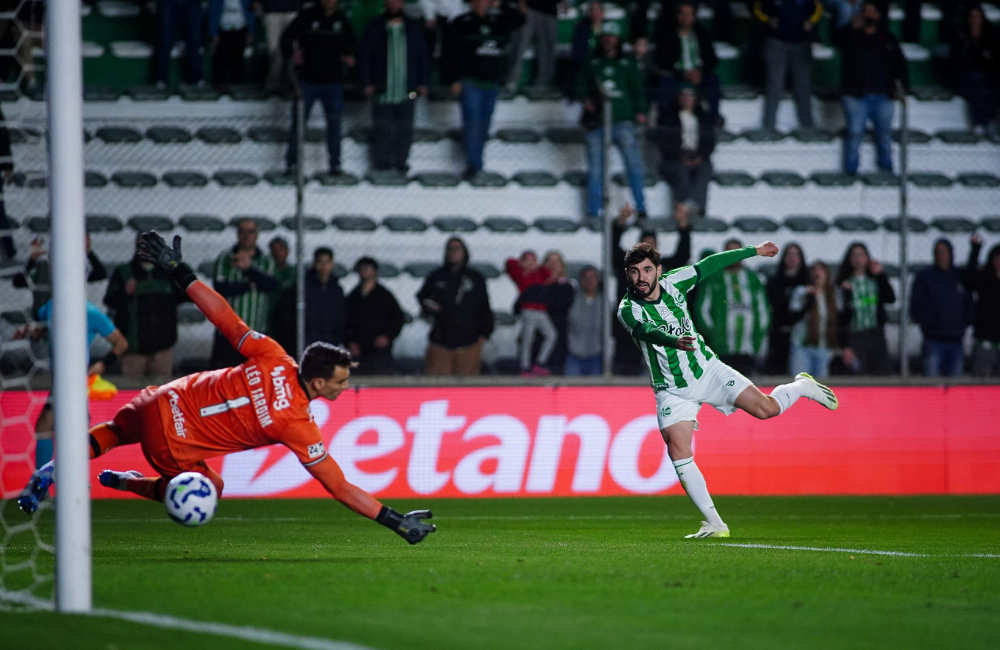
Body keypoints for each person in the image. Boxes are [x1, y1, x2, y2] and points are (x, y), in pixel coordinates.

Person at [18, 232, 437, 547]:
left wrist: (180, 270)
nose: (347, 388)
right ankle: (130, 484)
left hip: (160, 399)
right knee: (210, 489)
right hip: (172, 445)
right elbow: (339, 487)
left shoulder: (274, 355)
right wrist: (396, 522)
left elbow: (224, 317)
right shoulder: (297, 424)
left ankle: (54, 467)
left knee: (113, 431)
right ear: (319, 382)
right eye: (342, 382)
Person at [617, 239, 838, 538]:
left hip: (708, 370)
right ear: (627, 274)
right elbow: (646, 331)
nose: (640, 278)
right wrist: (673, 341)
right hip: (671, 389)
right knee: (677, 448)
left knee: (766, 410)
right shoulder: (628, 309)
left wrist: (755, 251)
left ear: (658, 270)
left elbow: (710, 265)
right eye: (633, 271)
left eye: (646, 270)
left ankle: (802, 386)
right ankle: (715, 523)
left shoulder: (674, 282)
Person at [13, 299, 128, 471]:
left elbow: (121, 343)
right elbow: (47, 330)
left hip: (73, 375)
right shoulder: (50, 307)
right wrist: (31, 333)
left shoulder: (91, 313)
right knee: (70, 427)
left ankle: (44, 483)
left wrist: (102, 365)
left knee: (47, 425)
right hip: (59, 374)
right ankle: (72, 481)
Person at [444, 0, 526, 179]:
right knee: (472, 123)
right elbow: (449, 52)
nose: (481, 3)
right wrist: (454, 79)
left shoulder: (497, 21)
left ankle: (477, 160)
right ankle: (474, 165)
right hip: (470, 81)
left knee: (484, 124)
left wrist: (501, 5)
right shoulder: (460, 22)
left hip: (491, 83)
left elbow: (520, 19)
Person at [578, 22, 648, 220]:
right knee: (596, 170)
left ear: (618, 40)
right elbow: (579, 85)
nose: (608, 40)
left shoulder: (628, 62)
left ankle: (641, 207)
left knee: (633, 165)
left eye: (612, 37)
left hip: (623, 121)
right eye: (605, 37)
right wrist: (586, 100)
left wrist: (640, 110)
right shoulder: (592, 62)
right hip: (597, 123)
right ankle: (594, 211)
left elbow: (637, 89)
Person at [612, 202, 690, 374]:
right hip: (630, 331)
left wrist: (683, 224)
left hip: (659, 327)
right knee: (627, 373)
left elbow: (683, 255)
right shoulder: (626, 268)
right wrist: (621, 222)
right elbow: (613, 250)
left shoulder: (666, 268)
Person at [282, 0, 356, 176]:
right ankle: (291, 164)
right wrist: (292, 53)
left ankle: (335, 165)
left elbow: (352, 44)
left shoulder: (341, 19)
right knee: (298, 125)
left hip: (332, 83)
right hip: (307, 81)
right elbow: (286, 38)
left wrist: (349, 56)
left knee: (335, 125)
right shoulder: (307, 16)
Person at [837, 1, 908, 175]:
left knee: (884, 134)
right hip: (856, 95)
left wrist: (902, 87)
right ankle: (850, 171)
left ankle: (886, 169)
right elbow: (837, 43)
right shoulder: (851, 36)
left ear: (878, 15)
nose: (868, 16)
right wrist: (851, 28)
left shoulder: (888, 38)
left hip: (883, 95)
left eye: (871, 12)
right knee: (854, 133)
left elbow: (900, 65)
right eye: (865, 12)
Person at [359, 0, 430, 173]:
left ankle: (401, 161)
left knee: (405, 128)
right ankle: (382, 162)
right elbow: (365, 56)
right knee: (382, 128)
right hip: (383, 88)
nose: (394, 5)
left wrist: (423, 82)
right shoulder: (375, 26)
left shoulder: (412, 27)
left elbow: (422, 55)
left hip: (406, 89)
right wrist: (367, 82)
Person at [103, 236, 188, 379]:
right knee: (131, 394)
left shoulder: (167, 273)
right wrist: (125, 292)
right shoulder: (124, 272)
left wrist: (182, 282)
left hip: (163, 347)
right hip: (133, 349)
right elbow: (109, 300)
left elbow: (185, 298)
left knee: (162, 394)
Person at [417, 237, 494, 375]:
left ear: (464, 252)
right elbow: (423, 298)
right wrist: (431, 308)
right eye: (450, 249)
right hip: (441, 341)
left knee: (467, 390)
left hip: (470, 342)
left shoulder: (476, 278)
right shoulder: (436, 276)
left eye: (457, 249)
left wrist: (484, 334)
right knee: (438, 387)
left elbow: (484, 307)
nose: (453, 252)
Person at [695, 239, 771, 377]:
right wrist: (714, 333)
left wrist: (758, 335)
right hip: (721, 347)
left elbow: (763, 311)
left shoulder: (753, 279)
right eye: (730, 252)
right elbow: (702, 309)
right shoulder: (713, 279)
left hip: (748, 347)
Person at [211, 219, 278, 368]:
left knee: (254, 378)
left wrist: (248, 270)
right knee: (225, 379)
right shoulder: (225, 258)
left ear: (257, 234)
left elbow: (270, 285)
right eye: (243, 232)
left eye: (251, 232)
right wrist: (251, 285)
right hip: (228, 333)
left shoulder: (266, 261)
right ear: (237, 234)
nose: (247, 236)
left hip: (256, 332)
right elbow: (221, 288)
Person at [753, 0, 822, 130]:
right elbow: (758, 8)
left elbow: (817, 9)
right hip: (776, 42)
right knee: (775, 84)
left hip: (801, 43)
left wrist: (811, 21)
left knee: (803, 85)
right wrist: (768, 20)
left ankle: (807, 126)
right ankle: (769, 126)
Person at [911, 239, 974, 377]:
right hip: (933, 341)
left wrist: (965, 321)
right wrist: (928, 324)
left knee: (955, 389)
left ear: (951, 253)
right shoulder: (924, 277)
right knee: (932, 389)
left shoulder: (960, 276)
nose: (941, 255)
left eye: (944, 252)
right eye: (938, 252)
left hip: (957, 341)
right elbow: (916, 304)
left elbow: (970, 299)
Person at [654, 2, 721, 123]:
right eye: (682, 14)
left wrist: (700, 72)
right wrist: (683, 74)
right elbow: (663, 60)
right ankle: (665, 121)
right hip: (676, 74)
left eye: (689, 14)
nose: (685, 17)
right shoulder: (668, 33)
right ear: (677, 15)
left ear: (694, 16)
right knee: (664, 82)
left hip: (698, 74)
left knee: (713, 80)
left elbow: (712, 58)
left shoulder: (701, 32)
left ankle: (713, 119)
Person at [12, 234, 107, 319]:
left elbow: (100, 274)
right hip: (44, 318)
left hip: (69, 315)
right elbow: (19, 282)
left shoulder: (75, 269)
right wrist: (32, 259)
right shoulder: (43, 267)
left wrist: (88, 252)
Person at [835, 242, 895, 375]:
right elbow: (839, 317)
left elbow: (891, 298)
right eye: (854, 256)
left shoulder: (875, 280)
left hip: (876, 334)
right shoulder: (843, 284)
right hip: (855, 335)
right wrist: (844, 345)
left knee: (882, 373)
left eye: (861, 255)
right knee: (858, 374)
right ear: (849, 259)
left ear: (867, 258)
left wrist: (881, 275)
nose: (858, 259)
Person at [658, 84, 715, 216]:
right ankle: (683, 207)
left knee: (705, 168)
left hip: (697, 155)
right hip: (674, 158)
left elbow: (710, 142)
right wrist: (680, 157)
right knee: (681, 169)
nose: (686, 99)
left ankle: (697, 207)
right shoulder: (669, 118)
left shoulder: (702, 118)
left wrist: (700, 156)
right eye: (683, 96)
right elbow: (665, 144)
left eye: (690, 96)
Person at [345, 257, 406, 375]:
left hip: (379, 352)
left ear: (375, 271)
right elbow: (344, 321)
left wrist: (387, 337)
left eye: (368, 268)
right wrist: (349, 342)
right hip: (358, 351)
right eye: (361, 268)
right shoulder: (353, 297)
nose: (364, 271)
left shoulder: (385, 296)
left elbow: (398, 318)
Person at [506, 250, 557, 376]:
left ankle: (540, 363)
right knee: (528, 339)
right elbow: (509, 263)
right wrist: (522, 264)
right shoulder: (519, 273)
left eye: (532, 260)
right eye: (527, 260)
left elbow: (547, 274)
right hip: (528, 310)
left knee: (551, 335)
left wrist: (537, 266)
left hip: (541, 310)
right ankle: (525, 367)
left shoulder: (538, 273)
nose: (530, 263)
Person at [951, 5, 998, 136]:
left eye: (977, 17)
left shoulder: (992, 34)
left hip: (990, 74)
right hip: (968, 76)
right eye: (971, 17)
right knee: (981, 88)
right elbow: (959, 61)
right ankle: (981, 124)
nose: (974, 20)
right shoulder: (960, 35)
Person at [764, 243, 809, 375]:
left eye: (796, 254)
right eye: (789, 254)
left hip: (803, 334)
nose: (792, 258)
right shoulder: (774, 282)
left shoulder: (807, 282)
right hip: (779, 332)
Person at [788, 261, 838, 377]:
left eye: (821, 270)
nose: (817, 273)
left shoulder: (831, 295)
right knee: (801, 382)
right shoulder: (801, 292)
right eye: (814, 270)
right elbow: (793, 317)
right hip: (802, 345)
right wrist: (809, 300)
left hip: (824, 346)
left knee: (821, 386)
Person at [963, 234, 1000, 376]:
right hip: (984, 343)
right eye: (996, 258)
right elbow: (968, 280)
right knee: (981, 387)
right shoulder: (985, 279)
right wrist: (975, 250)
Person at [506, 0, 558, 91]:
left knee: (547, 50)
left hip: (550, 11)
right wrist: (522, 4)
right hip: (530, 8)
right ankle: (512, 81)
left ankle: (544, 83)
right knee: (520, 45)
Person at [154, 0, 204, 88]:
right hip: (168, 2)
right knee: (165, 40)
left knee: (194, 40)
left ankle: (195, 78)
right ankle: (160, 79)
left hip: (192, 3)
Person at [565, 265, 603, 376]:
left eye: (592, 277)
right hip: (574, 354)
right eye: (585, 278)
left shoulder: (603, 302)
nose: (589, 281)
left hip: (596, 354)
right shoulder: (573, 299)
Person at [304, 247, 346, 347]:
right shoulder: (304, 287)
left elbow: (341, 316)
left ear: (332, 264)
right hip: (308, 341)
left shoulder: (336, 289)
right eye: (320, 262)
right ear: (314, 263)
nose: (323, 267)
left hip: (330, 341)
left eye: (326, 262)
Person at [208, 0, 255, 87]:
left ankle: (238, 86)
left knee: (237, 60)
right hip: (223, 30)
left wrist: (250, 31)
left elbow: (250, 12)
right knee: (220, 60)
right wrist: (213, 33)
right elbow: (213, 13)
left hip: (240, 30)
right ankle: (219, 86)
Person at [260, 0, 303, 91]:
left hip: (293, 9)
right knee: (274, 50)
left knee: (294, 49)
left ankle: (294, 86)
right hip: (272, 10)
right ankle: (273, 85)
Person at [543, 250, 575, 373]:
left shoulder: (567, 287)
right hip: (539, 337)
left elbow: (561, 306)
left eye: (556, 262)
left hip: (559, 336)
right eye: (549, 261)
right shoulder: (536, 285)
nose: (553, 265)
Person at [418, 0, 465, 78]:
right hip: (432, 19)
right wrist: (429, 15)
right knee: (426, 52)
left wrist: (455, 19)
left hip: (454, 19)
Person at [566, 1, 603, 99]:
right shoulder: (582, 28)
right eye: (592, 10)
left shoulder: (609, 29)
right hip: (587, 64)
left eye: (597, 10)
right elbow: (578, 52)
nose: (595, 13)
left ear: (602, 12)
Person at [268, 237, 298, 355]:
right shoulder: (266, 271)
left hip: (287, 323)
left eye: (281, 249)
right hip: (268, 320)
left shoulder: (294, 272)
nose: (277, 253)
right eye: (274, 250)